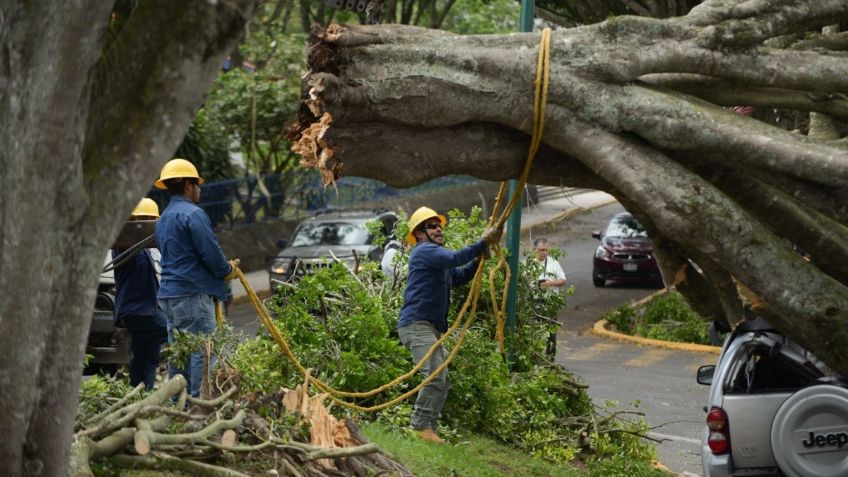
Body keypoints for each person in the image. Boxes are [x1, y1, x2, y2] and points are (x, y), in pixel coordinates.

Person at [397, 206, 502, 443]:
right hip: (417, 324)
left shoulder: (435, 260)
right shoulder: (424, 251)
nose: (438, 229)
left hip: (429, 326)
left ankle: (429, 429)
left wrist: (477, 259)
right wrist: (481, 243)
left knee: (442, 379)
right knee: (435, 375)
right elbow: (455, 258)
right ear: (420, 234)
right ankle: (420, 427)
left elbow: (457, 277)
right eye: (431, 226)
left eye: (439, 225)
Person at [154, 158, 238, 398]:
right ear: (189, 186)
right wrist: (226, 270)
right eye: (197, 185)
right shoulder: (193, 214)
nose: (200, 190)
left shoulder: (163, 219)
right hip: (193, 294)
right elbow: (210, 252)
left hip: (169, 296)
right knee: (202, 351)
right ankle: (200, 407)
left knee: (179, 353)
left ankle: (177, 406)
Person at [112, 198, 168, 389]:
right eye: (144, 221)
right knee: (179, 337)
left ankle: (141, 398)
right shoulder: (124, 244)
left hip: (148, 309)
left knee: (147, 358)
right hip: (139, 311)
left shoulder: (150, 249)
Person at [534, 238, 567, 356]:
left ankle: (550, 360)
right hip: (534, 301)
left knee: (551, 334)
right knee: (534, 332)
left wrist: (550, 283)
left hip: (550, 302)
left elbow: (563, 280)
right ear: (535, 250)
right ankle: (534, 358)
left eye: (546, 250)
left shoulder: (554, 262)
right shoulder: (529, 263)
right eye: (541, 250)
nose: (544, 252)